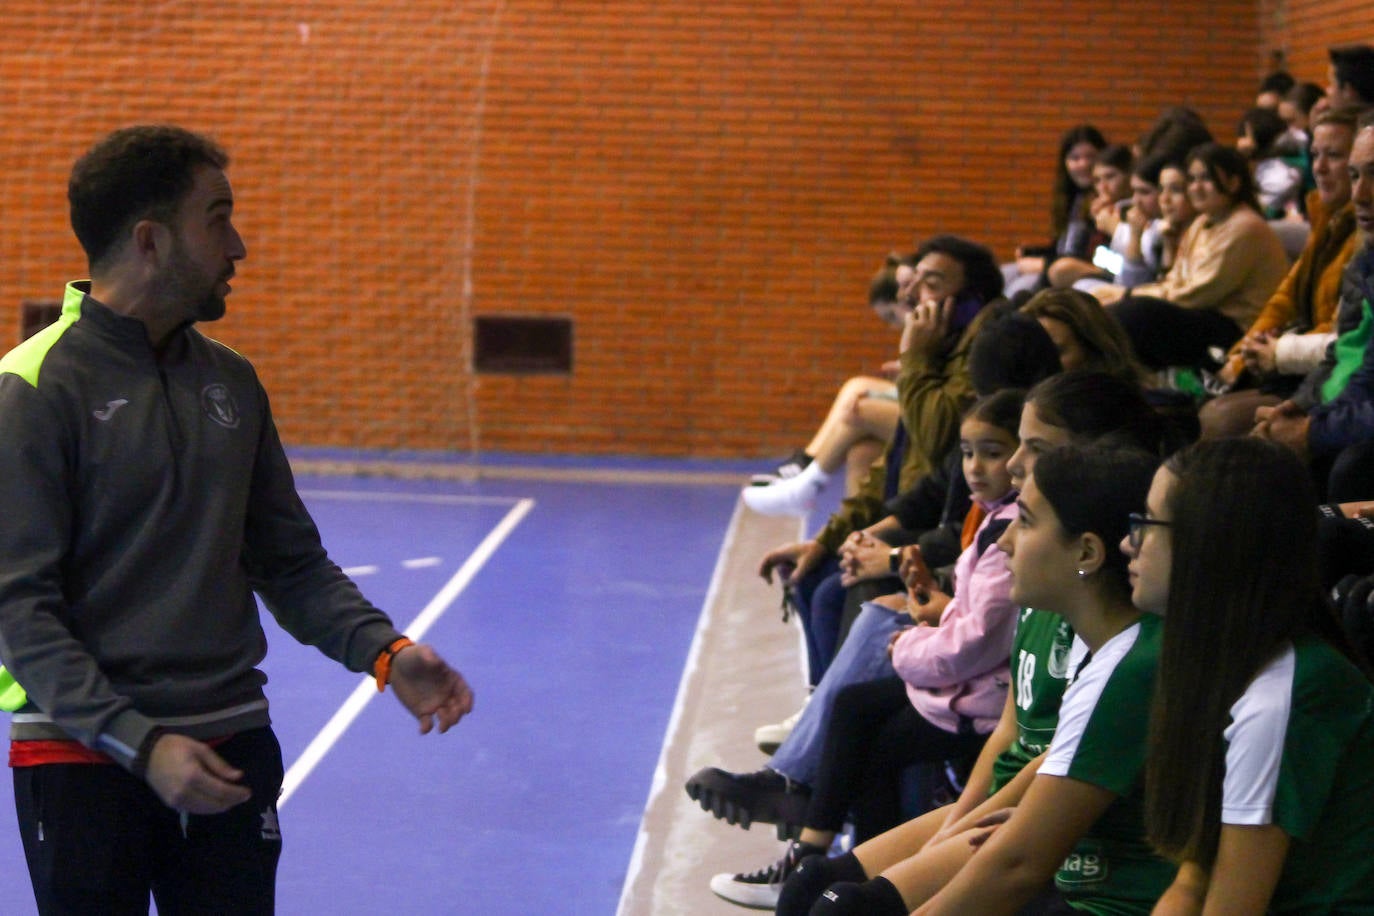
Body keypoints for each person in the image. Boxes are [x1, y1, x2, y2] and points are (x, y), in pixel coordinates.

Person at [0, 126, 474, 914]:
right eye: (217, 218)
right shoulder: (34, 389)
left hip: (230, 746)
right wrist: (140, 744)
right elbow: (18, 608)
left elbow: (289, 562)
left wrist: (387, 654)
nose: (240, 245)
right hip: (81, 754)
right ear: (150, 241)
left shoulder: (233, 383)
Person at [775, 373, 1176, 916]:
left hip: (1079, 872)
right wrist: (958, 823)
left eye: (1032, 449)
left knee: (843, 902)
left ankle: (801, 808)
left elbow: (1026, 854)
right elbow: (1019, 740)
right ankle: (804, 823)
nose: (1011, 467)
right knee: (822, 888)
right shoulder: (1049, 607)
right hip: (1018, 822)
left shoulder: (1131, 656)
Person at [697, 390, 1024, 910]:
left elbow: (976, 643)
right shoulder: (989, 517)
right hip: (970, 685)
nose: (975, 467)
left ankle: (841, 863)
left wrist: (910, 642)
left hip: (975, 699)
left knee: (868, 722)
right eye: (967, 453)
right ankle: (824, 851)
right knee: (851, 687)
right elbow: (977, 617)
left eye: (992, 452)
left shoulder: (1008, 531)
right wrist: (936, 605)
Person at [1140, 438, 1374, 913]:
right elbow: (1193, 878)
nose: (1129, 541)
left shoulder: (1285, 696)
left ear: (1209, 546)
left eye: (1146, 524)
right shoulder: (1230, 668)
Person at [1200, 107, 1362, 439]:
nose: (1318, 167)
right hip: (1300, 360)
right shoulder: (1327, 219)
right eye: (1315, 154)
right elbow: (1285, 298)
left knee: (1221, 419)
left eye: (1334, 155)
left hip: (1330, 371)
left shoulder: (1360, 233)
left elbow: (1345, 336)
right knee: (1207, 403)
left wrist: (1278, 353)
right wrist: (1242, 357)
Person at [1253, 115, 1374, 501]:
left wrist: (1312, 430)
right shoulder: (1365, 258)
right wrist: (1302, 412)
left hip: (1344, 425)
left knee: (1349, 468)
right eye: (1355, 175)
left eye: (1332, 156)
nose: (1361, 194)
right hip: (1332, 398)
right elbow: (1357, 364)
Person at [1098, 143, 1289, 373]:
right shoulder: (1202, 222)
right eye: (1192, 179)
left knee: (1134, 316)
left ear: (1234, 182)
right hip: (1208, 316)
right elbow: (1175, 281)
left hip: (1242, 331)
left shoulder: (1245, 226)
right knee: (1113, 310)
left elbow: (1197, 293)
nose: (1195, 187)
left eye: (1205, 178)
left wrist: (1128, 294)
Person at [749, 254, 914, 497]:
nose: (893, 326)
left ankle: (810, 481)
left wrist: (890, 387)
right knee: (862, 448)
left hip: (936, 422)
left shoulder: (929, 326)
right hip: (918, 406)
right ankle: (811, 467)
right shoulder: (920, 329)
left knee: (860, 410)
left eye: (892, 316)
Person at [1004, 125, 1107, 301]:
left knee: (1020, 289)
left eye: (1090, 157)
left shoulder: (1105, 203)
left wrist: (1043, 265)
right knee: (1005, 274)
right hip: (1058, 266)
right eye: (1075, 158)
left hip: (1077, 274)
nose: (1083, 164)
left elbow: (1097, 257)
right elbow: (1064, 248)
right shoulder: (1073, 199)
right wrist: (1035, 253)